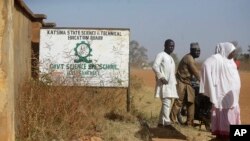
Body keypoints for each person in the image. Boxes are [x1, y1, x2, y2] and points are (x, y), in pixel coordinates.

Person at [199, 42, 241, 139]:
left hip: (233, 97)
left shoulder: (230, 61)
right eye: (232, 51)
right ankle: (224, 136)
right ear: (225, 50)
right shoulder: (218, 58)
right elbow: (206, 65)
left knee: (232, 114)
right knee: (226, 115)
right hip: (223, 95)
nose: (233, 54)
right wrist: (210, 81)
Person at [170, 42, 201, 126]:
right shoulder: (189, 58)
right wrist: (203, 81)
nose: (198, 52)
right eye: (196, 51)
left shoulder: (191, 58)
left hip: (188, 83)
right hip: (181, 82)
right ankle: (172, 121)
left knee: (191, 102)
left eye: (199, 51)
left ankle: (189, 123)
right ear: (191, 50)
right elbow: (196, 72)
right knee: (179, 102)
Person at [152, 39, 179, 127]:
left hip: (171, 84)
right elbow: (155, 66)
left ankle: (160, 123)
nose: (171, 48)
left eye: (173, 46)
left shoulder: (171, 57)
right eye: (170, 46)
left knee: (167, 103)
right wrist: (161, 77)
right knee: (166, 103)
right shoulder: (161, 55)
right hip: (164, 84)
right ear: (165, 45)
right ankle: (167, 123)